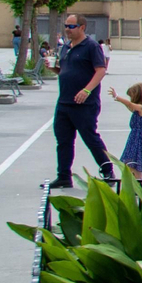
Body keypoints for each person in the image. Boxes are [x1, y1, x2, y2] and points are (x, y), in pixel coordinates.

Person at [49, 13, 113, 189]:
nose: (67, 30)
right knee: (63, 141)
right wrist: (53, 69)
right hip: (64, 102)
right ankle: (63, 176)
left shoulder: (91, 46)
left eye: (71, 26)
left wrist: (87, 90)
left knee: (90, 138)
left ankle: (108, 172)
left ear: (82, 27)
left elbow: (100, 70)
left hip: (84, 104)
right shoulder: (65, 47)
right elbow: (64, 70)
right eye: (66, 26)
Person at [109, 82, 142, 177]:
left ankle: (137, 182)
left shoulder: (141, 107)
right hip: (135, 138)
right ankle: (135, 181)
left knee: (134, 163)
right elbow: (130, 107)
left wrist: (117, 97)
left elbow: (130, 104)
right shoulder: (139, 108)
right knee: (131, 163)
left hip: (139, 139)